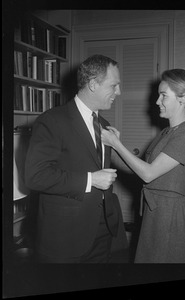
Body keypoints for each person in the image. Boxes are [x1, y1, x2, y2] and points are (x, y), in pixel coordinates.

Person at [25, 54, 128, 263]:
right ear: (92, 84)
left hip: (103, 231)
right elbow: (35, 176)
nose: (119, 92)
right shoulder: (52, 120)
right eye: (114, 85)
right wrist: (91, 180)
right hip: (66, 236)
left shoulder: (104, 125)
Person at [101, 69, 185, 263]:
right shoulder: (167, 132)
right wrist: (117, 145)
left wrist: (116, 144)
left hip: (170, 216)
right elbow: (141, 168)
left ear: (183, 99)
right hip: (155, 211)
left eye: (163, 95)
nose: (157, 101)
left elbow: (148, 174)